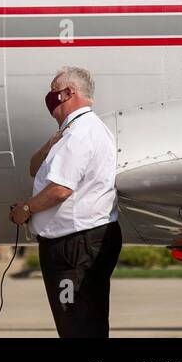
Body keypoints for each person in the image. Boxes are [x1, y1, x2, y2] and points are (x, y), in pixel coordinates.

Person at [10, 66, 121, 338]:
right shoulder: (77, 130)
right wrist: (50, 144)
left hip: (74, 246)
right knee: (87, 321)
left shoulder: (79, 134)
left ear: (68, 93)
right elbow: (35, 168)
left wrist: (26, 210)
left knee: (75, 324)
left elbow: (60, 189)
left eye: (53, 91)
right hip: (81, 241)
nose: (49, 98)